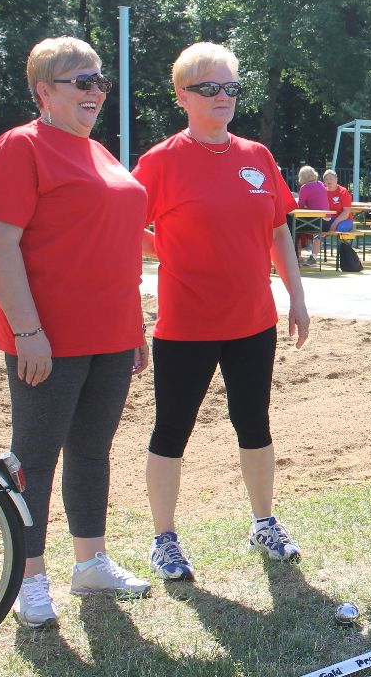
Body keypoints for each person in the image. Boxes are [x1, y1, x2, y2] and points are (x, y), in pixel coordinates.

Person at [132, 42, 310, 582]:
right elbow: (124, 229)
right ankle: (164, 538)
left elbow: (278, 231)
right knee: (172, 429)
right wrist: (169, 251)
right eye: (209, 87)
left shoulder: (257, 156)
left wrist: (297, 296)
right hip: (185, 325)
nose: (222, 96)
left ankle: (264, 522)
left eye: (230, 86)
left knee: (254, 423)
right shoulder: (161, 161)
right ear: (182, 96)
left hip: (253, 321)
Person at [0, 36, 151, 628]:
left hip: (111, 335)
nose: (96, 91)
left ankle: (91, 563)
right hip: (47, 340)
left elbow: (112, 246)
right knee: (34, 459)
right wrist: (27, 331)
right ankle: (27, 579)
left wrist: (133, 325)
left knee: (91, 451)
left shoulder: (99, 153)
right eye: (82, 81)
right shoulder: (22, 146)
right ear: (44, 91)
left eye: (100, 81)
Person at [296, 165, 329, 266]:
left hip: (316, 221)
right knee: (300, 227)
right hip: (326, 221)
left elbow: (300, 206)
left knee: (293, 227)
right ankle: (311, 256)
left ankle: (297, 256)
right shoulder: (320, 184)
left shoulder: (305, 188)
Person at [322, 169, 354, 234]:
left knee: (340, 228)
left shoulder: (343, 192)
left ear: (336, 179)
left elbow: (346, 211)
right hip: (328, 219)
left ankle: (344, 242)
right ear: (324, 181)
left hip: (344, 220)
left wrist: (334, 224)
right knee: (317, 227)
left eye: (331, 178)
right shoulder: (322, 192)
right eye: (326, 179)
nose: (329, 181)